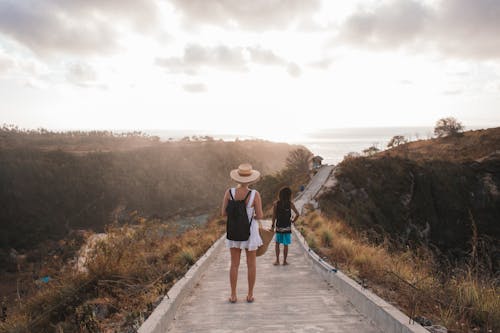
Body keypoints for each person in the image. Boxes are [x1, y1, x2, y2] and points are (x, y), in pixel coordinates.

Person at [221, 163, 264, 303]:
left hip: (234, 230)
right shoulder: (254, 194)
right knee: (251, 264)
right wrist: (249, 214)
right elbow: (260, 215)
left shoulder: (229, 192)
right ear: (251, 179)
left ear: (237, 178)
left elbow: (223, 213)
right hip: (250, 232)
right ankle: (250, 295)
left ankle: (233, 295)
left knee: (234, 264)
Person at [272, 187, 299, 265]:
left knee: (277, 243)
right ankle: (284, 261)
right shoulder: (290, 204)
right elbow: (297, 214)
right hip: (287, 226)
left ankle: (277, 260)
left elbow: (274, 216)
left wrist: (272, 225)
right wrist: (293, 221)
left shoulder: (276, 204)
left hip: (279, 226)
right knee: (285, 244)